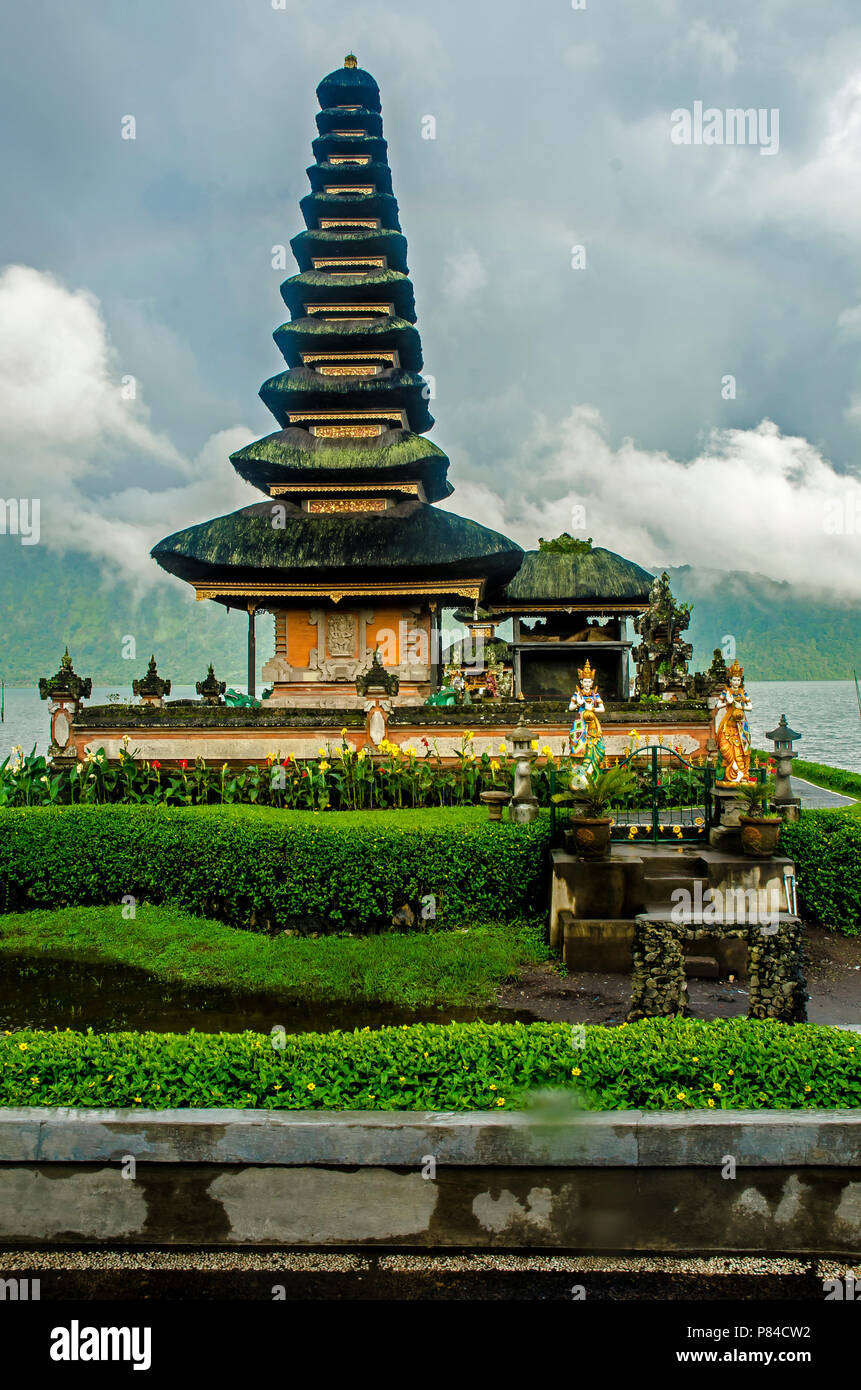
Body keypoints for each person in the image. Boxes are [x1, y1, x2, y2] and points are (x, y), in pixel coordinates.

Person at [713, 659, 753, 783]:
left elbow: (750, 707)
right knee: (725, 749)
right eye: (734, 680)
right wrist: (727, 702)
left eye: (738, 680)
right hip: (728, 725)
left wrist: (741, 706)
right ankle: (737, 772)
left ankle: (741, 773)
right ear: (730, 680)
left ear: (741, 681)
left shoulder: (743, 693)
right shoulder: (726, 692)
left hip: (740, 726)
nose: (736, 682)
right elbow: (718, 705)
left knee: (740, 751)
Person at [568, 660, 605, 777]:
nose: (587, 684)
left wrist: (592, 709)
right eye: (585, 681)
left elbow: (602, 709)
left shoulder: (595, 695)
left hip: (592, 723)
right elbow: (570, 708)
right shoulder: (577, 694)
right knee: (579, 748)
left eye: (589, 681)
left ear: (592, 682)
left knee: (596, 745)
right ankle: (579, 775)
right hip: (581, 723)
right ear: (581, 682)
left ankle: (591, 771)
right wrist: (580, 704)